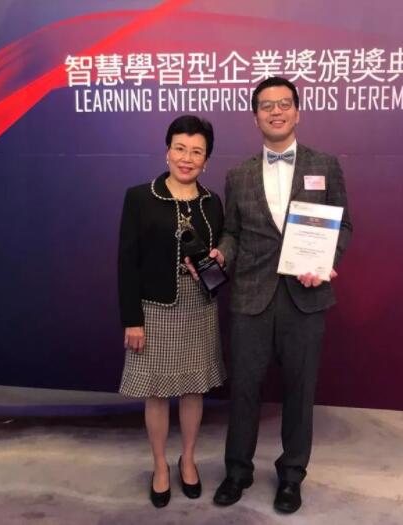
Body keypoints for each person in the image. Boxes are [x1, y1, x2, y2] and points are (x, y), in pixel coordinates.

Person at [209, 76, 353, 513]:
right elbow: (233, 232)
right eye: (267, 106)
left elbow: (343, 225)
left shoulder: (324, 164)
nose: (276, 111)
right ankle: (237, 471)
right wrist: (222, 252)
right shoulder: (238, 175)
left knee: (299, 391)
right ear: (255, 117)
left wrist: (325, 262)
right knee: (244, 390)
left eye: (284, 104)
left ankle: (292, 476)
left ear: (297, 111)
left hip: (305, 298)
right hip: (250, 297)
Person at [117, 115, 226, 508]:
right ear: (167, 151)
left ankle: (189, 459)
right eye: (180, 148)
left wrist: (219, 257)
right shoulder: (140, 197)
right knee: (157, 391)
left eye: (196, 152)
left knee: (194, 388)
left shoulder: (212, 202)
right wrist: (132, 320)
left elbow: (221, 251)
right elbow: (127, 262)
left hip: (200, 306)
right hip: (155, 308)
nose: (186, 158)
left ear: (206, 160)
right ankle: (160, 465)